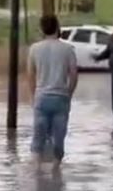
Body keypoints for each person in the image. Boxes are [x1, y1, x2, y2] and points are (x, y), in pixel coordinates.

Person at [28, 15, 78, 170]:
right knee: (59, 136)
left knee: (38, 136)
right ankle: (56, 171)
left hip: (41, 96)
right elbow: (74, 75)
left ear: (42, 29)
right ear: (58, 28)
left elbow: (30, 75)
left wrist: (33, 96)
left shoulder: (34, 49)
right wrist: (68, 95)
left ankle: (37, 172)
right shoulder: (68, 49)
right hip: (61, 97)